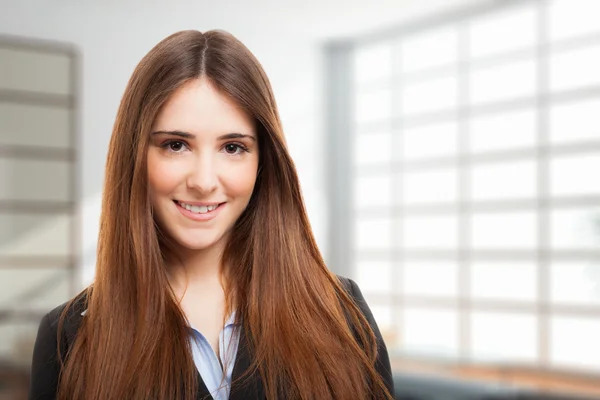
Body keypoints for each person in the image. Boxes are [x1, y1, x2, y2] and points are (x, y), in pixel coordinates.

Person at [28, 29, 394, 400]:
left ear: (263, 162)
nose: (203, 181)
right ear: (135, 155)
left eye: (233, 147)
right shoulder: (68, 338)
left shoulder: (342, 313)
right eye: (176, 145)